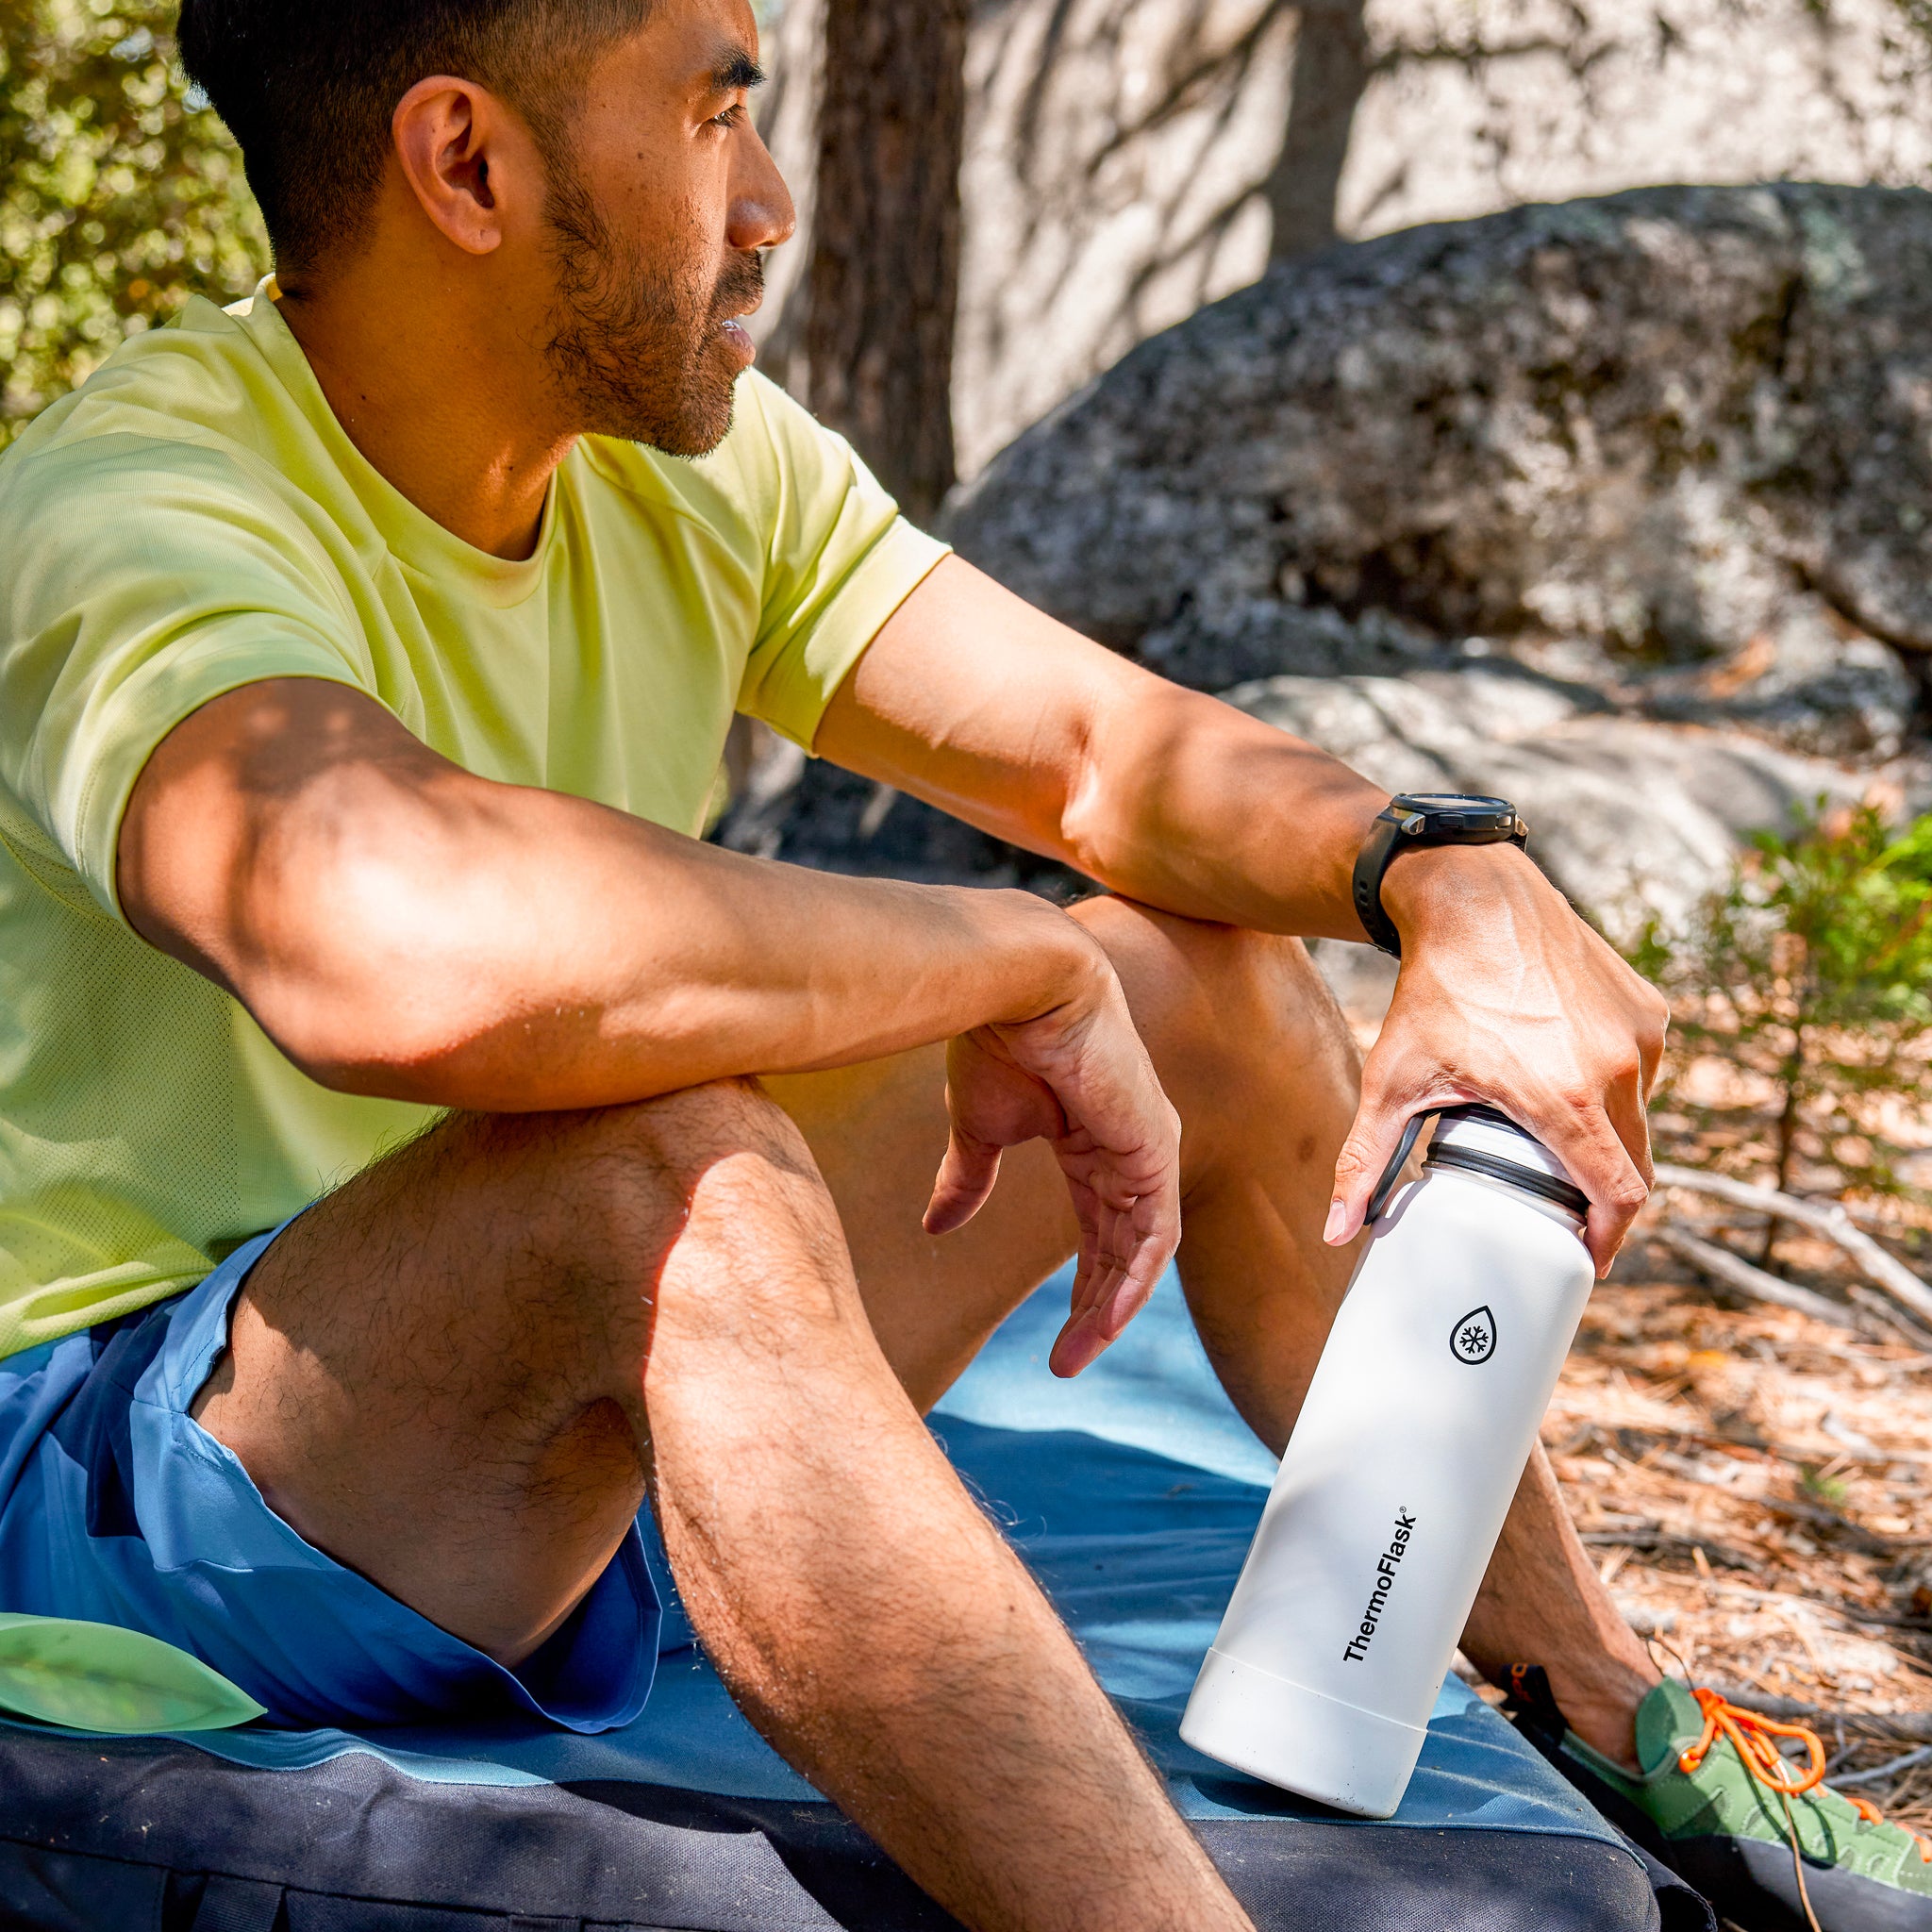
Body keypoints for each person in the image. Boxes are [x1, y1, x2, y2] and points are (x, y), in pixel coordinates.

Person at [0, 4, 1923, 1929]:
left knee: (1215, 994)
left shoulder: (687, 472)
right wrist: (1000, 957)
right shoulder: (135, 514)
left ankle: (1602, 1704)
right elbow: (390, 941)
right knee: (669, 1181)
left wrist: (1446, 874)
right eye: (715, 116)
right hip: (141, 1491)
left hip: (527, 1442)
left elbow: (1102, 757)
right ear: (467, 163)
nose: (769, 203)